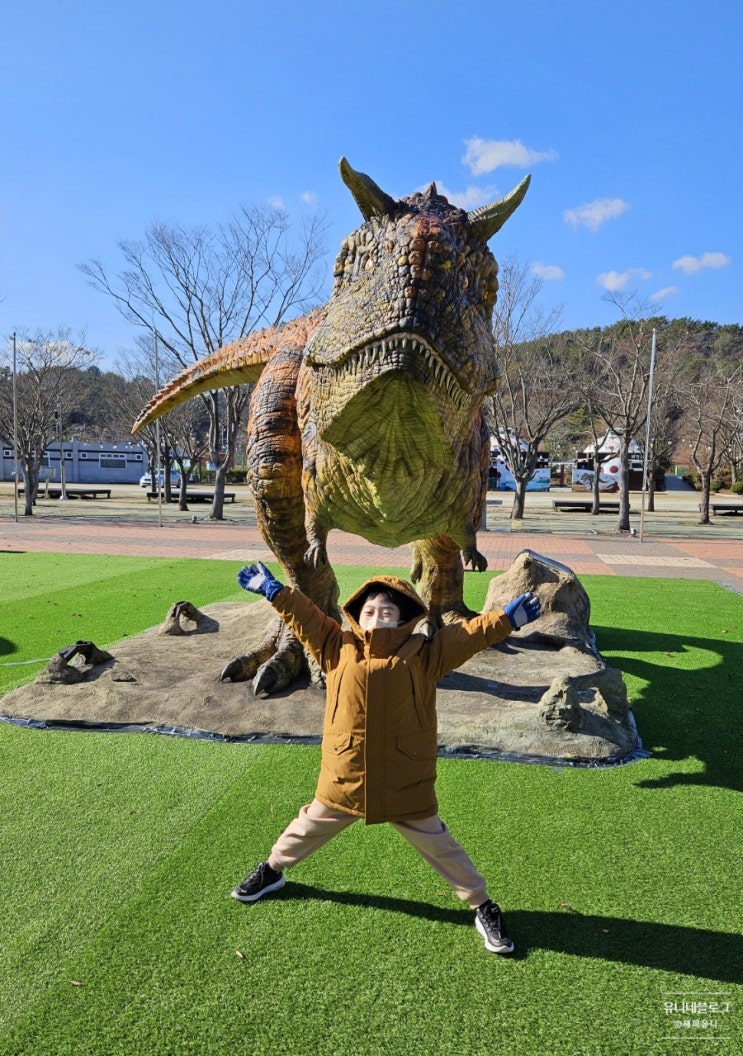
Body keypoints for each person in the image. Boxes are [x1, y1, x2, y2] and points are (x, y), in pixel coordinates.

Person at [231, 562, 541, 955]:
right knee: (304, 829)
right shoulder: (335, 646)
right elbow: (306, 617)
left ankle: (481, 905)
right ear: (357, 615)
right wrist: (275, 590)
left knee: (441, 847)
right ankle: (273, 870)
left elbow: (467, 637)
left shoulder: (425, 653)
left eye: (387, 611)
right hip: (345, 776)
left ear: (403, 618)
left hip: (405, 779)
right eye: (370, 611)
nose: (378, 617)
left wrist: (505, 620)